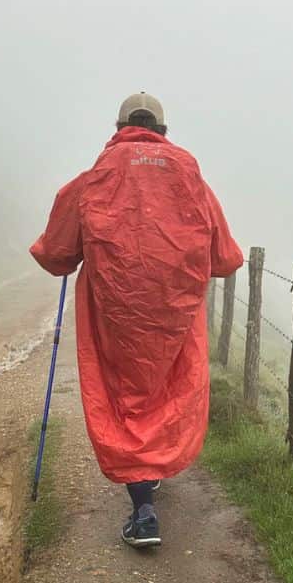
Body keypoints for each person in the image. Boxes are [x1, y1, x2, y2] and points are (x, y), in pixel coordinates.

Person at [30, 92, 243, 547]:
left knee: (122, 397)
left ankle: (143, 508)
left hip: (113, 315)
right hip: (174, 317)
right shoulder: (192, 178)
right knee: (165, 392)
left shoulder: (95, 178)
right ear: (162, 130)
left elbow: (55, 256)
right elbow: (225, 259)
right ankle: (150, 481)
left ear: (119, 126)